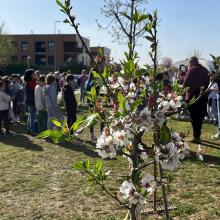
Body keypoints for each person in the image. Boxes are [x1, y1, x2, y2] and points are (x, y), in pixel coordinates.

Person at [183, 57, 210, 144]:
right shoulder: (205, 70)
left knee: (194, 117)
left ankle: (196, 137)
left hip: (193, 97)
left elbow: (185, 83)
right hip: (203, 97)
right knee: (199, 117)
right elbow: (207, 83)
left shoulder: (191, 70)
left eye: (188, 63)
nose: (188, 65)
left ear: (191, 63)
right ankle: (197, 135)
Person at [24, 69, 38, 136]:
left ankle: (29, 129)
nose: (35, 75)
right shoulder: (31, 82)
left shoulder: (28, 82)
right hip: (32, 101)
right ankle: (32, 131)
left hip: (29, 101)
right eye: (34, 74)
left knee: (30, 116)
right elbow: (36, 88)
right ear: (30, 75)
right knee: (33, 116)